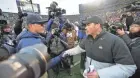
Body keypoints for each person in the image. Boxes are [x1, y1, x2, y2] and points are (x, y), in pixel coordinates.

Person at [63, 16, 136, 78]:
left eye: (88, 25)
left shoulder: (115, 41)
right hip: (89, 74)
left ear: (97, 25)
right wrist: (66, 52)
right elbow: (79, 49)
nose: (85, 28)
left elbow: (129, 68)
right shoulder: (87, 38)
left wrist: (99, 74)